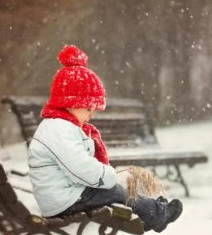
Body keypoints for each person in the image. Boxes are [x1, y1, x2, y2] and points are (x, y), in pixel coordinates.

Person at [28, 45, 183, 232]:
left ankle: (150, 208)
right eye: (88, 109)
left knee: (111, 191)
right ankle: (158, 215)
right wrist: (108, 174)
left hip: (63, 195)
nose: (91, 115)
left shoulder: (59, 126)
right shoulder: (60, 130)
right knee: (113, 191)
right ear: (69, 104)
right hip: (64, 201)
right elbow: (80, 168)